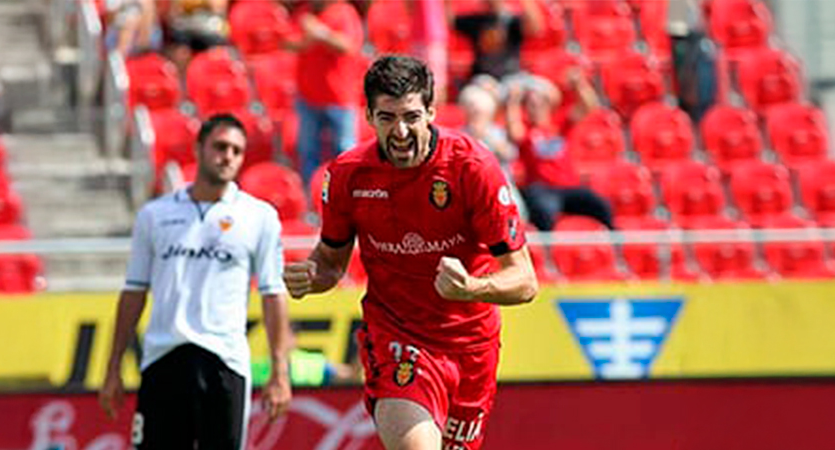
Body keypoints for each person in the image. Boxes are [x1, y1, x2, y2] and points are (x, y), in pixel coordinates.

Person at [283, 55, 538, 450]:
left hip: (472, 345)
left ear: (432, 112)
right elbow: (330, 263)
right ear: (368, 115)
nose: (400, 131)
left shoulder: (472, 168)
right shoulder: (348, 175)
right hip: (397, 337)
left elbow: (525, 281)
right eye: (387, 118)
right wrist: (310, 276)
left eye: (411, 117)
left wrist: (471, 287)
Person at [99, 113, 293, 450]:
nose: (228, 156)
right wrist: (113, 367)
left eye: (237, 150)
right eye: (220, 146)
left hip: (225, 361)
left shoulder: (258, 217)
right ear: (199, 148)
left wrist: (280, 372)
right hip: (163, 357)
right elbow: (133, 291)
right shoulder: (155, 215)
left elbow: (273, 293)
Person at [503, 77, 614, 232]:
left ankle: (617, 247)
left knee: (600, 205)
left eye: (540, 103)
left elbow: (590, 106)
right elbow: (514, 131)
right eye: (531, 104)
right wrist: (513, 101)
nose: (536, 107)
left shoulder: (559, 123)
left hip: (568, 187)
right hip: (542, 189)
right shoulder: (527, 130)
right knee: (544, 211)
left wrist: (579, 84)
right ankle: (548, 253)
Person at [288, 0, 364, 185]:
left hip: (339, 98)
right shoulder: (304, 12)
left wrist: (320, 33)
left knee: (345, 152)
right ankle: (312, 198)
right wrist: (306, 39)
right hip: (308, 97)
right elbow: (289, 42)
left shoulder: (344, 11)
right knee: (308, 153)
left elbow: (348, 45)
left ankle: (347, 195)